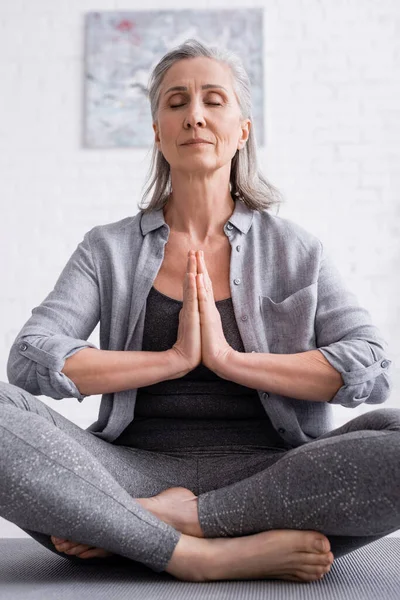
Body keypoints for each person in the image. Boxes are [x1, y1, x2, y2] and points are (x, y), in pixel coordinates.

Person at [1, 38, 399, 584]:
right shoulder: (106, 248)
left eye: (214, 100)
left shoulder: (296, 249)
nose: (195, 116)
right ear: (157, 131)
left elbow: (373, 368)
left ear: (242, 130)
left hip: (273, 476)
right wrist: (174, 358)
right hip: (127, 472)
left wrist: (229, 360)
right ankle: (200, 554)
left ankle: (157, 527)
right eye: (176, 103)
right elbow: (28, 359)